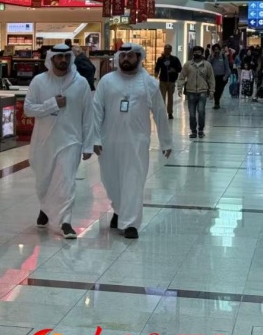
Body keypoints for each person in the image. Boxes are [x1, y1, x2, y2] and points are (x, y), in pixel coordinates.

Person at [93, 43, 172, 239]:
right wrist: (94, 138)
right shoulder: (107, 81)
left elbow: (160, 113)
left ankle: (130, 223)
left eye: (130, 56)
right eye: (123, 56)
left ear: (138, 57)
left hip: (137, 142)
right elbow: (96, 111)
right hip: (109, 141)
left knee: (133, 180)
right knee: (111, 180)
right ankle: (119, 210)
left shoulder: (149, 83)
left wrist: (166, 141)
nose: (126, 59)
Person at [25, 44, 94, 239]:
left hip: (71, 141)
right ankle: (45, 209)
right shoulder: (39, 81)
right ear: (51, 59)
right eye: (59, 57)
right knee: (44, 181)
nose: (63, 60)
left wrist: (88, 144)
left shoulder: (81, 83)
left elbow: (88, 115)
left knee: (66, 182)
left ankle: (65, 222)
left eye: (66, 57)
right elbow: (28, 109)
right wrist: (52, 104)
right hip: (44, 142)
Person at [177, 45, 214, 139]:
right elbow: (182, 77)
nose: (197, 53)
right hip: (190, 91)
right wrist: (179, 88)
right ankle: (193, 131)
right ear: (193, 53)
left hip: (202, 91)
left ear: (202, 53)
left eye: (199, 52)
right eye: (195, 52)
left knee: (201, 111)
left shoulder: (207, 65)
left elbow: (211, 78)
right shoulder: (188, 65)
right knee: (192, 113)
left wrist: (212, 90)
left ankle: (201, 130)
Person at [154, 44, 183, 119]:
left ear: (171, 50)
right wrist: (156, 73)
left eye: (168, 49)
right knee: (162, 97)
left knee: (170, 98)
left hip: (171, 81)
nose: (167, 50)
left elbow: (180, 68)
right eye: (165, 49)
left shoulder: (175, 59)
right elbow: (157, 67)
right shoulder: (160, 59)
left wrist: (174, 70)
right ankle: (162, 112)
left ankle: (170, 112)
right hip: (163, 80)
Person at [208, 44, 231, 109]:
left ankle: (217, 101)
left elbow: (227, 67)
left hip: (222, 77)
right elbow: (207, 65)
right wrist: (212, 58)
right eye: (215, 49)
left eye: (217, 49)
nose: (216, 51)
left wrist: (226, 76)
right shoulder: (211, 57)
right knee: (215, 90)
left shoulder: (223, 57)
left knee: (219, 90)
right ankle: (216, 103)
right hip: (213, 77)